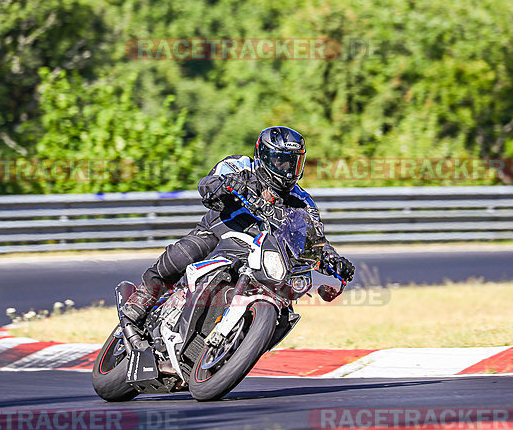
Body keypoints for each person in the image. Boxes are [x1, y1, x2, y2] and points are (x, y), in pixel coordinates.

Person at [120, 126, 355, 326]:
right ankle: (145, 295)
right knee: (189, 250)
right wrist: (226, 185)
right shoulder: (241, 166)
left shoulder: (302, 201)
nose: (286, 169)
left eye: (292, 163)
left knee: (287, 304)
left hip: (264, 254)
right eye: (280, 161)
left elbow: (314, 240)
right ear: (263, 155)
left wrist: (334, 261)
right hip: (220, 232)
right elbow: (207, 186)